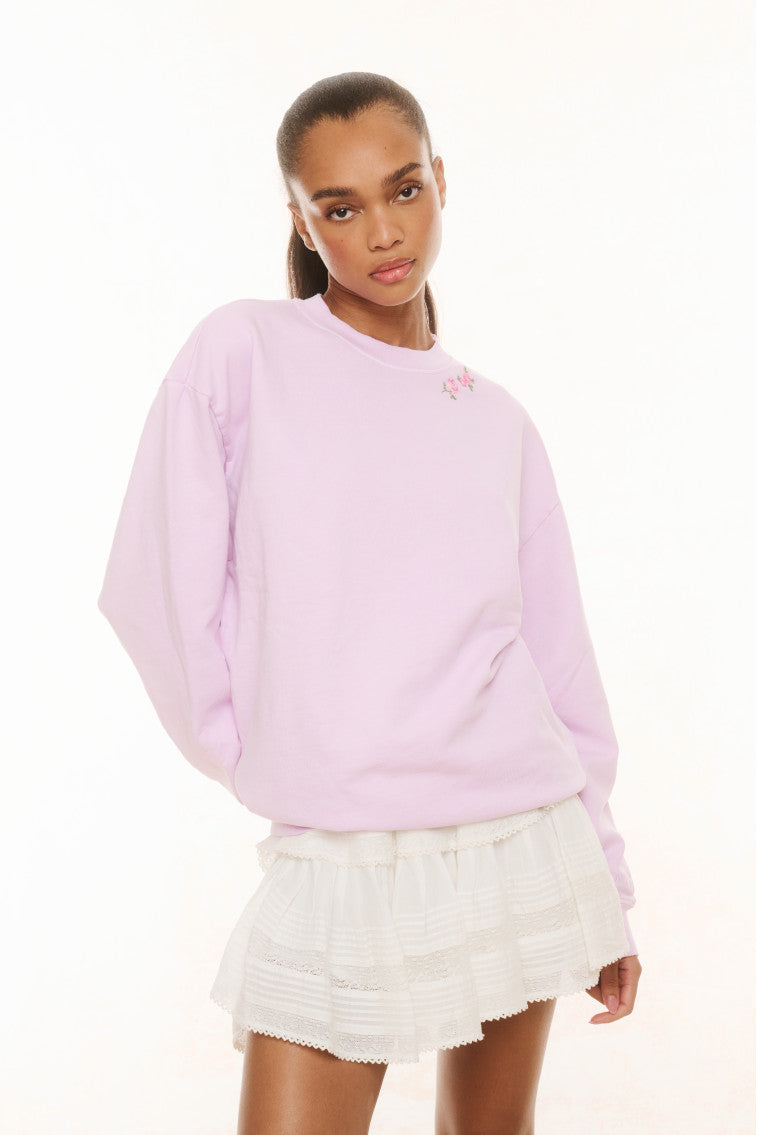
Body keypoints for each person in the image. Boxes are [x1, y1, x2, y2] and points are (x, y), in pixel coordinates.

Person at [97, 71, 642, 1135]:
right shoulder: (243, 353)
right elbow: (153, 582)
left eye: (403, 190)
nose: (383, 232)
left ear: (439, 179)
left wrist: (606, 881)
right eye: (339, 208)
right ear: (300, 221)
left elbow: (559, 659)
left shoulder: (495, 419)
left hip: (520, 837)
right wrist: (258, 752)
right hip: (341, 853)